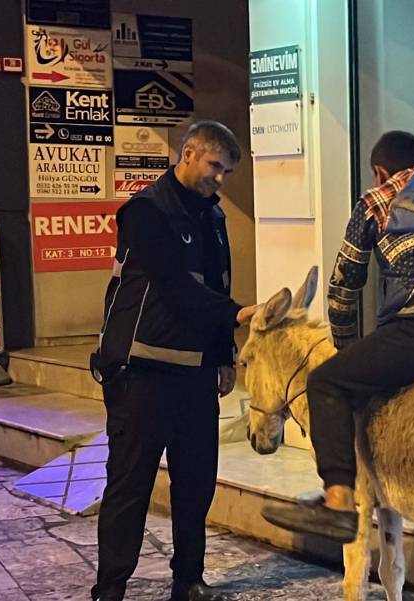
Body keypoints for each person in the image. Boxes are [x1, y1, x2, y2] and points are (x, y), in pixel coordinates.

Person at [261, 131, 414, 543]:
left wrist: (344, 353)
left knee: (326, 382)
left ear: (380, 172)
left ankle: (339, 503)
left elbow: (344, 289)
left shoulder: (375, 202)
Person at [90, 120, 255, 601]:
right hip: (140, 374)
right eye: (215, 166)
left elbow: (214, 285)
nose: (220, 178)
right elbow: (178, 289)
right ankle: (111, 587)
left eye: (226, 171)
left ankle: (188, 580)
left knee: (195, 486)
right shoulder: (144, 212)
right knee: (129, 488)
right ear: (187, 154)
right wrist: (240, 314)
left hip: (195, 377)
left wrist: (224, 353)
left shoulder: (213, 217)